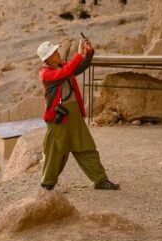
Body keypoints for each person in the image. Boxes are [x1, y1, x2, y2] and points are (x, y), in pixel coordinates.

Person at [37, 37, 119, 191]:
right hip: (58, 118)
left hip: (73, 114)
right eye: (54, 53)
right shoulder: (46, 74)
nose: (57, 53)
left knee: (86, 146)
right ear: (47, 58)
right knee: (55, 150)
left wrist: (88, 52)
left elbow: (81, 66)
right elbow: (66, 72)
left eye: (56, 51)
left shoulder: (62, 67)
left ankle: (100, 180)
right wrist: (78, 55)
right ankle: (47, 183)